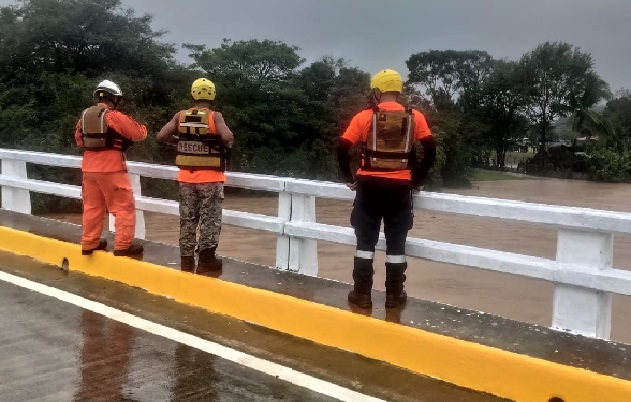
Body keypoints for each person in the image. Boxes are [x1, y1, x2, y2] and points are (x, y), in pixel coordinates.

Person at [337, 69, 437, 309]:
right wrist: (417, 179)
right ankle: (394, 295)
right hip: (400, 187)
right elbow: (430, 150)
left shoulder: (363, 117)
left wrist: (348, 177)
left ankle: (362, 294)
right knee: (396, 241)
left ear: (377, 91)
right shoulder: (416, 117)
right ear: (397, 90)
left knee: (365, 240)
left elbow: (342, 148)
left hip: (369, 186)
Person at [157, 78, 234, 274]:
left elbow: (161, 136)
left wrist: (179, 142)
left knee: (187, 220)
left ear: (193, 94)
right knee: (209, 220)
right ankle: (207, 260)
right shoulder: (215, 117)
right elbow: (228, 138)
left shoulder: (180, 116)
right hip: (210, 179)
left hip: (186, 179)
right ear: (212, 95)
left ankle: (186, 260)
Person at [75, 80, 147, 256]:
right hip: (112, 168)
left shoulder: (84, 116)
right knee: (123, 207)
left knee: (92, 206)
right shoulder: (113, 116)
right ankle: (123, 245)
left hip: (89, 168)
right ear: (114, 98)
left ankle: (89, 242)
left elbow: (79, 140)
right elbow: (139, 134)